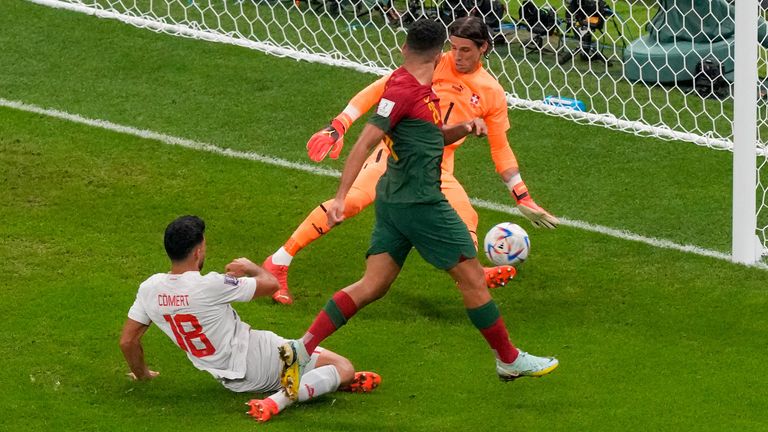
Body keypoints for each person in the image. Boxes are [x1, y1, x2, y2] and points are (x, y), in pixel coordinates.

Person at [276, 19, 558, 401]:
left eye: (465, 50)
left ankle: (302, 347)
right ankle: (508, 358)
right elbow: (367, 140)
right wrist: (341, 192)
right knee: (473, 279)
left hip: (393, 198)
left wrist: (464, 128)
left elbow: (431, 134)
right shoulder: (409, 89)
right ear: (439, 51)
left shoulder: (420, 89)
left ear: (406, 49)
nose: (457, 57)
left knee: (372, 285)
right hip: (422, 201)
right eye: (452, 49)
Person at [118, 215, 381, 423]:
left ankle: (315, 383)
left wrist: (143, 375)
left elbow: (128, 341)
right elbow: (270, 285)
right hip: (260, 356)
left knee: (327, 371)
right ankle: (281, 399)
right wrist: (251, 267)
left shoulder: (150, 289)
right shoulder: (210, 285)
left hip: (232, 381)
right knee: (344, 368)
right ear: (198, 251)